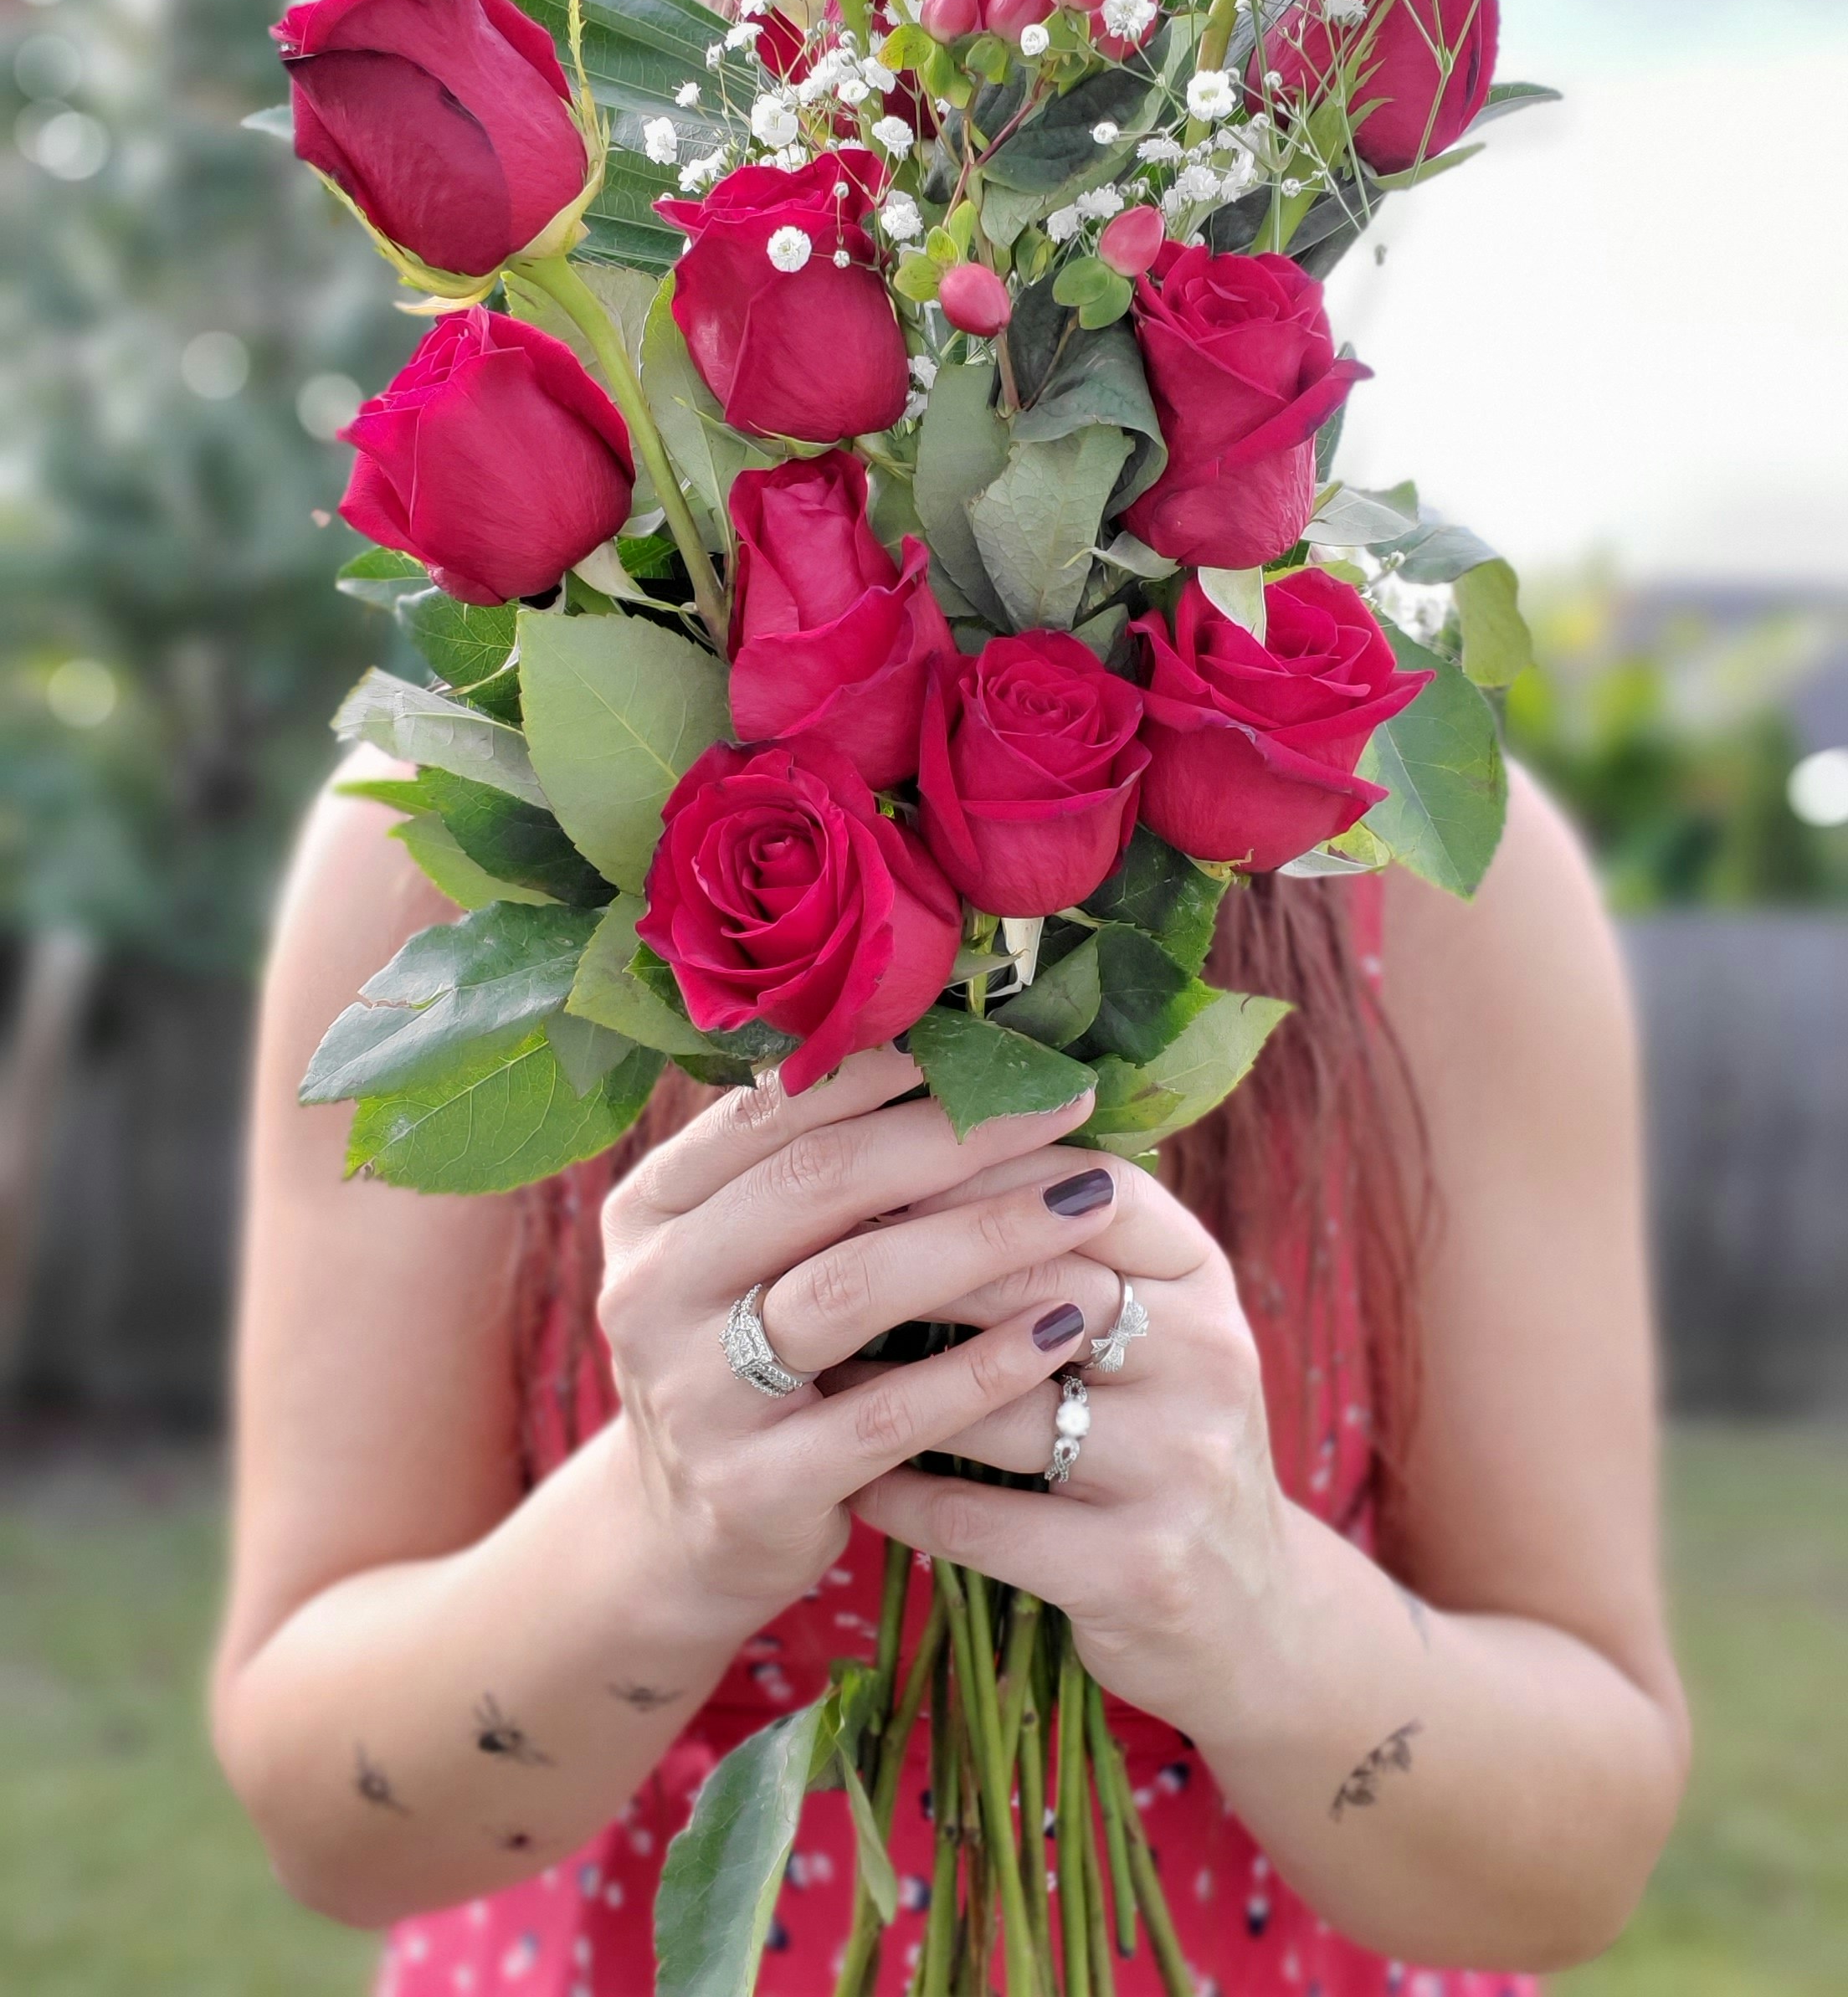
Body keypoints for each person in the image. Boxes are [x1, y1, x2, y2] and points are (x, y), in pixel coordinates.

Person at [213, 749, 1689, 1995]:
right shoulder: (456, 831)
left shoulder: (1415, 849)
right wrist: (662, 1536)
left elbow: (1584, 1860)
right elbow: (330, 1828)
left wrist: (1258, 1611)